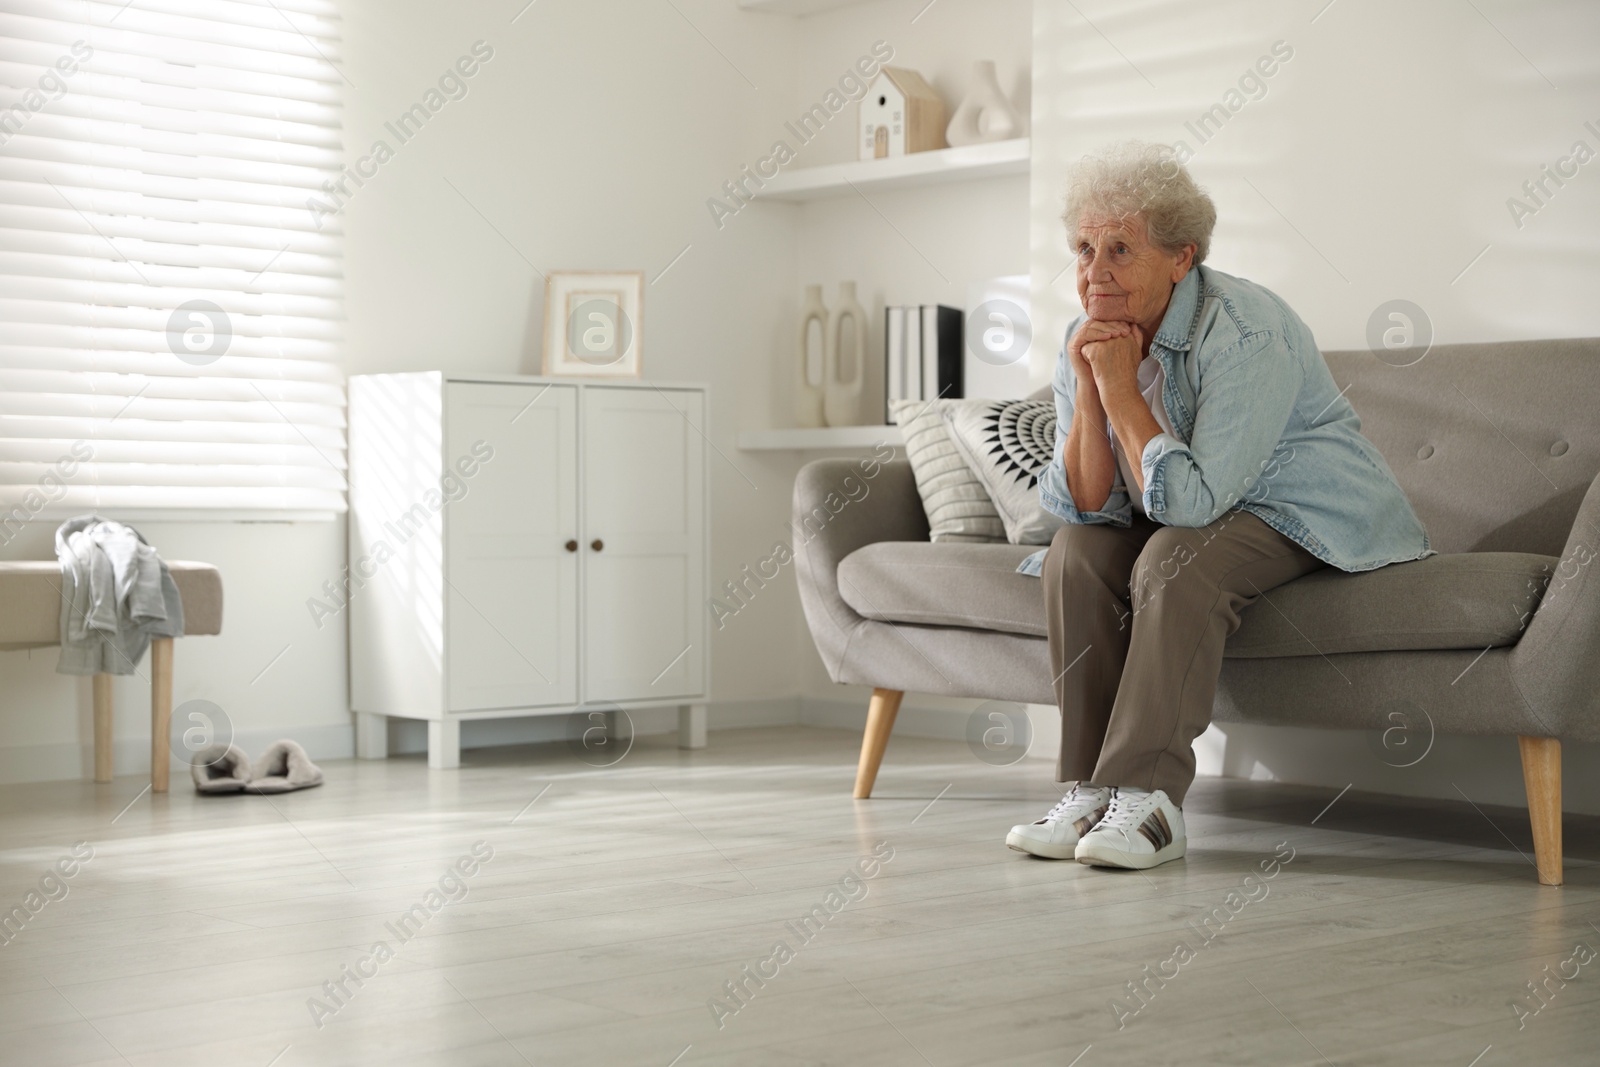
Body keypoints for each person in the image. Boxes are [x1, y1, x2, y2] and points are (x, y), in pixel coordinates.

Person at [1007, 142, 1429, 870]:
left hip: (1304, 511)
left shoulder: (1245, 331)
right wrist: (1091, 386)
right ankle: (1089, 789)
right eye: (1082, 248)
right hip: (1196, 508)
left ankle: (1151, 802)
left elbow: (1196, 506)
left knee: (1178, 557)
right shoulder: (1090, 338)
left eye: (1119, 249)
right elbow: (1085, 505)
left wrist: (1119, 392)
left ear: (1181, 258)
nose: (1093, 272)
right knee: (1074, 555)